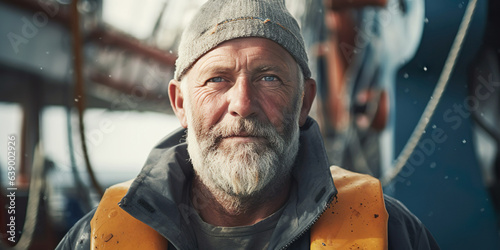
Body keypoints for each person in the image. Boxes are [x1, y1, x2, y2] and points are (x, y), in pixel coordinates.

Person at [56, 0, 439, 249]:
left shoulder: (393, 234)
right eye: (217, 79)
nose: (242, 104)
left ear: (304, 101)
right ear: (180, 104)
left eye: (269, 78)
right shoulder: (92, 240)